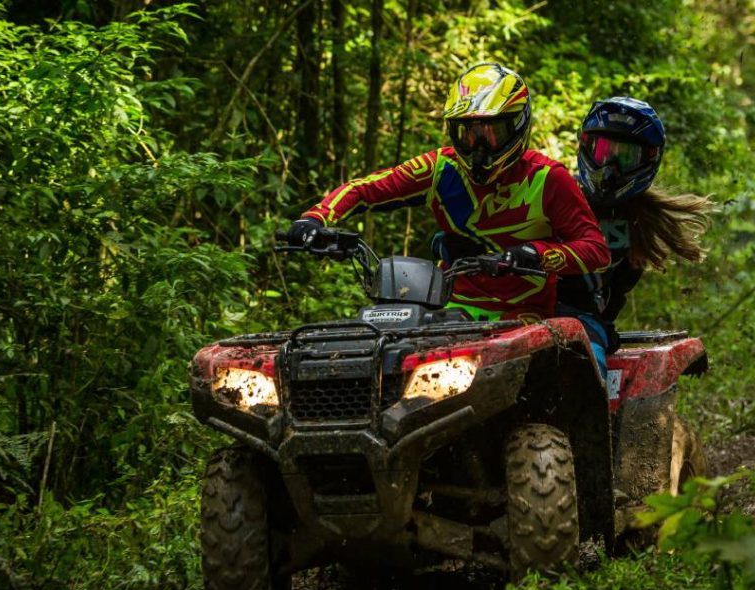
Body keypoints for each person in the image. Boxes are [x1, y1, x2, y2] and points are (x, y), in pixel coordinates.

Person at [288, 63, 609, 322]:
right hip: (448, 307)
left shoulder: (547, 178)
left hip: (523, 315)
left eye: (491, 134)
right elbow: (364, 189)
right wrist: (315, 219)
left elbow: (596, 249)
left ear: (517, 126)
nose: (479, 148)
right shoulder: (440, 167)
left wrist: (536, 255)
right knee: (386, 338)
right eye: (468, 134)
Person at [555, 96, 713, 377]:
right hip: (525, 313)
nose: (611, 167)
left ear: (647, 159)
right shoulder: (555, 195)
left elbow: (617, 290)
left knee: (586, 377)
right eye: (604, 151)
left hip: (582, 327)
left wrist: (601, 321)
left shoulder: (640, 220)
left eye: (624, 157)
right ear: (586, 145)